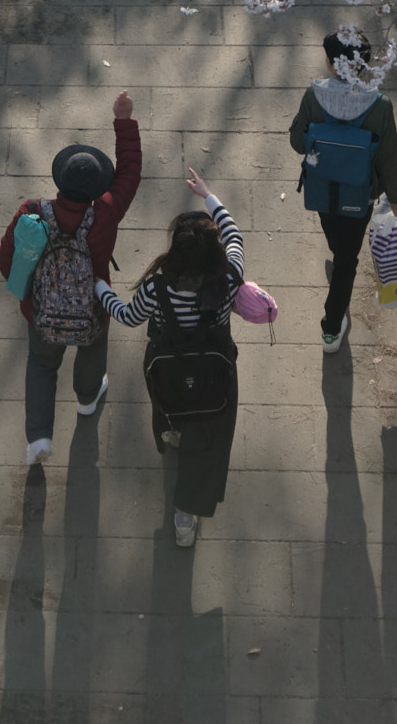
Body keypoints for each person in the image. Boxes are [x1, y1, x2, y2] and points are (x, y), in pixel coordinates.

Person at [95, 169, 243, 549]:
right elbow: (235, 236)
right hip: (215, 372)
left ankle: (173, 432)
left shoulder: (156, 287)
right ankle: (184, 518)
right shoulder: (228, 280)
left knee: (173, 405)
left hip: (169, 368)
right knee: (207, 442)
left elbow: (127, 316)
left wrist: (101, 289)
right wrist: (208, 195)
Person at [0, 93, 141, 467]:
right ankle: (88, 398)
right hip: (92, 308)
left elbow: (5, 259)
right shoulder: (106, 213)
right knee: (92, 351)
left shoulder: (32, 213)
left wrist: (31, 295)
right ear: (97, 189)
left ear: (58, 180)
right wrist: (123, 121)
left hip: (41, 316)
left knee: (41, 366)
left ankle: (39, 437)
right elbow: (129, 173)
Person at [289, 29, 397, 353]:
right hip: (360, 195)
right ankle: (331, 330)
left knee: (336, 242)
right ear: (362, 65)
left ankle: (332, 316)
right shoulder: (380, 106)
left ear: (329, 63)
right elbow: (388, 159)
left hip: (322, 190)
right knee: (346, 259)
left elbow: (298, 143)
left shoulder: (313, 96)